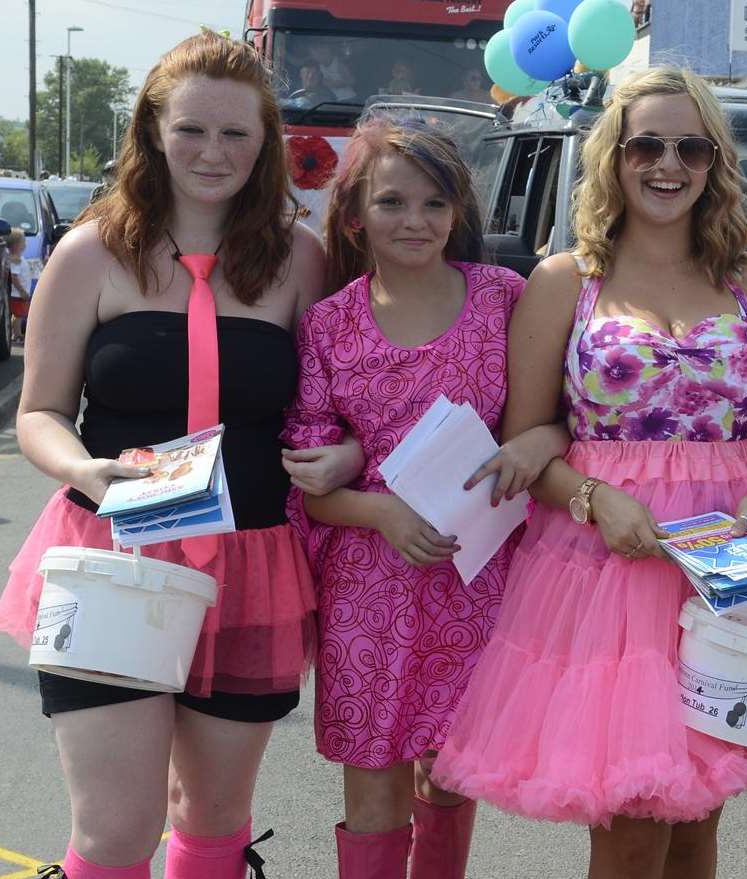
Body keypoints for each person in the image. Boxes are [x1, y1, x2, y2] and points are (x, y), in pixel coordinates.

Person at [428, 67, 747, 879]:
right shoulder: (565, 280)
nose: (667, 163)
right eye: (647, 143)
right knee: (633, 822)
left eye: (691, 147)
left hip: (729, 566)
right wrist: (593, 495)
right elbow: (529, 437)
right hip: (607, 569)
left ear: (716, 163)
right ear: (614, 154)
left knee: (695, 819)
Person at [0, 32, 363, 879]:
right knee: (116, 831)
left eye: (236, 133)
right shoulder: (91, 253)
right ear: (153, 129)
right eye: (192, 128)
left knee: (215, 816)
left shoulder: (300, 259)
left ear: (266, 140)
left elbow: (347, 403)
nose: (212, 151)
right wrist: (83, 469)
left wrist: (343, 454)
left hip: (253, 562)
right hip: (111, 560)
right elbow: (41, 410)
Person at [282, 117, 568, 879]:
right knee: (376, 786)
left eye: (435, 204)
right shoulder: (328, 326)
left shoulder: (506, 298)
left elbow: (561, 415)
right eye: (392, 203)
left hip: (477, 581)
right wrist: (378, 507)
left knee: (450, 775)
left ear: (458, 212)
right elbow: (308, 484)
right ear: (353, 217)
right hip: (368, 592)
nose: (416, 221)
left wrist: (540, 442)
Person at [6, 228, 31, 343]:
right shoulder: (16, 260)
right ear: (16, 245)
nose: (25, 244)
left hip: (18, 293)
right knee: (18, 315)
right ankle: (17, 335)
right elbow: (14, 278)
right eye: (23, 241)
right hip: (17, 294)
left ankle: (15, 334)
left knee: (18, 315)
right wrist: (22, 291)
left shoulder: (18, 259)